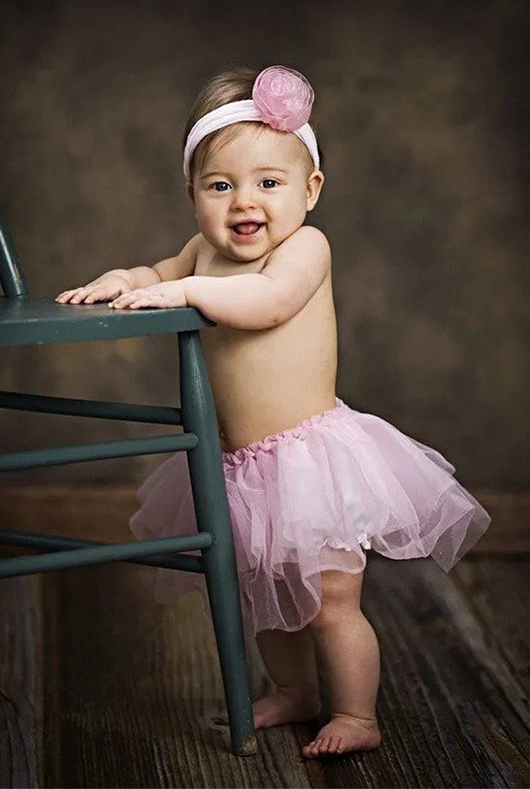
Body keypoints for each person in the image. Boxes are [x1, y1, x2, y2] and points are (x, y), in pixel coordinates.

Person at [55, 64, 492, 759]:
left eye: (269, 182)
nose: (243, 202)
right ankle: (295, 693)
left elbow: (268, 305)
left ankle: (356, 712)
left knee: (330, 603)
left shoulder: (303, 252)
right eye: (220, 185)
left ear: (310, 191)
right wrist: (127, 279)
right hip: (239, 468)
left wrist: (180, 294)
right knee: (265, 598)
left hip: (310, 461)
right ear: (192, 194)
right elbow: (159, 274)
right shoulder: (200, 254)